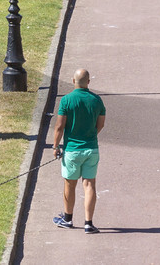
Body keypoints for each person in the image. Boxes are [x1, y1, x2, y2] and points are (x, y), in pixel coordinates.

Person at [51, 68, 106, 234]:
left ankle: (68, 219)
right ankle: (89, 223)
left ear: (73, 81)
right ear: (89, 82)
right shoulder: (97, 100)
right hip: (91, 149)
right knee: (89, 184)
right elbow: (101, 124)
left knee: (70, 184)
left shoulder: (67, 100)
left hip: (72, 150)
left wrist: (55, 146)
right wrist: (90, 135)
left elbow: (60, 126)